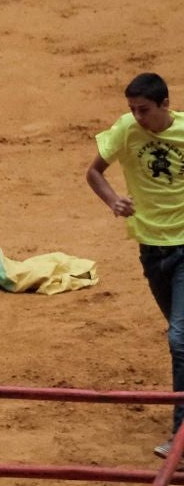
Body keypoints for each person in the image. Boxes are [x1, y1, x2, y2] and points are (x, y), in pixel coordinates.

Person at [87, 73, 184, 458]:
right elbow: (94, 172)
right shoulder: (126, 131)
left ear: (165, 105)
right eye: (132, 110)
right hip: (152, 249)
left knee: (180, 340)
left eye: (143, 110)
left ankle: (181, 442)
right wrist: (113, 201)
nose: (137, 117)